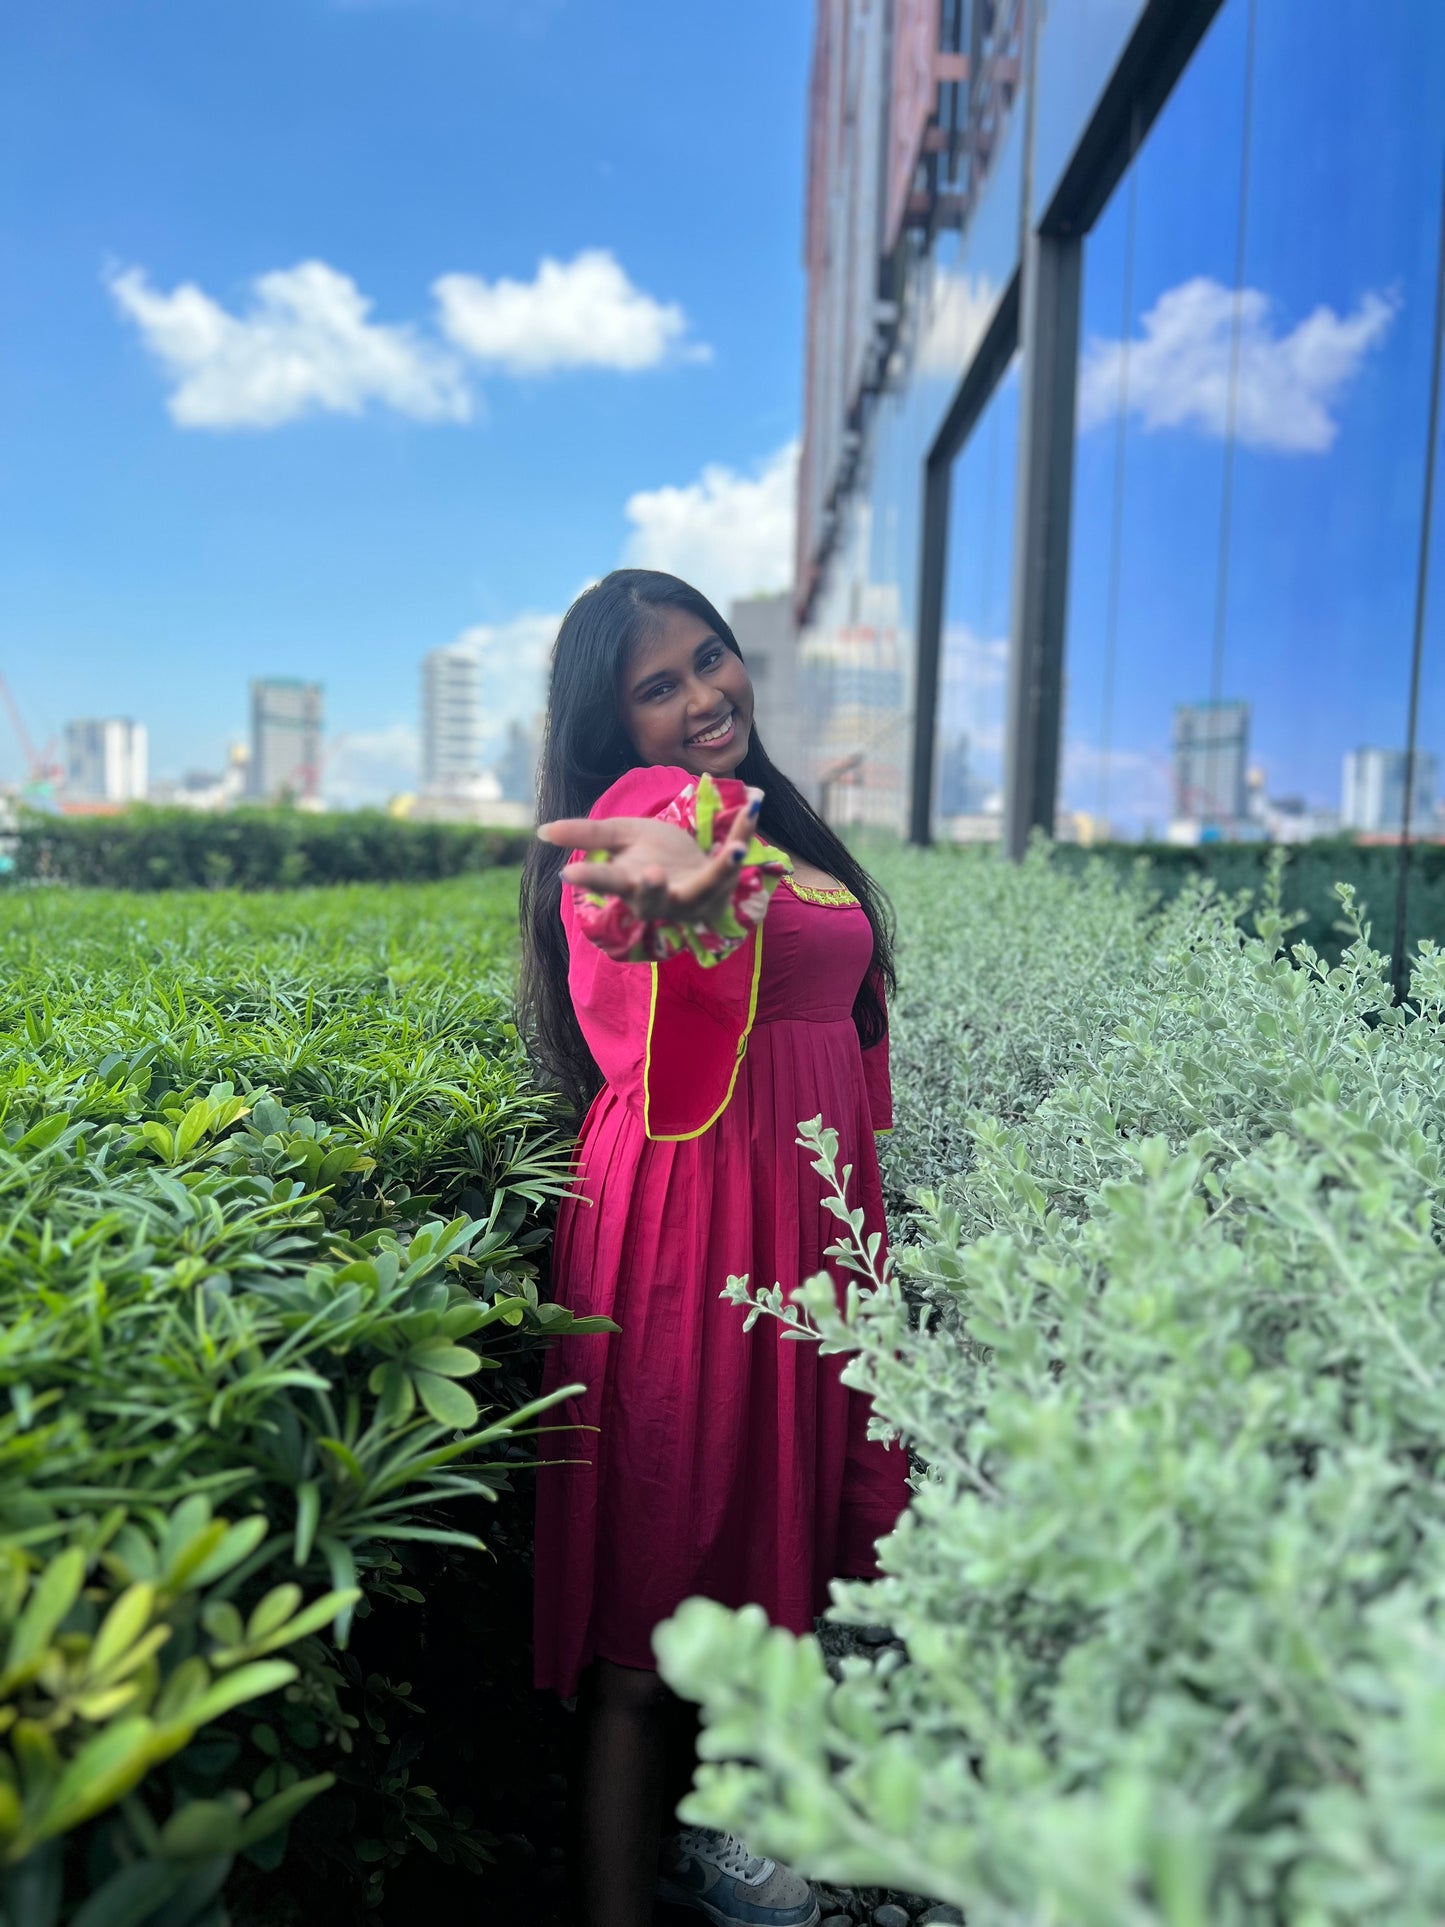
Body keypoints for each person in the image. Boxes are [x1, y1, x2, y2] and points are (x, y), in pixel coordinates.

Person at [519, 569, 910, 1927]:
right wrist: (663, 904)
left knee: (769, 1542)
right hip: (687, 1224)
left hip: (799, 1223)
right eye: (657, 684)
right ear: (610, 724)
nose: (702, 697)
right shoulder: (653, 819)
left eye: (711, 660)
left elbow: (849, 1041)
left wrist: (862, 1243)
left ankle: (732, 1843)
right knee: (655, 1593)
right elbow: (626, 898)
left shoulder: (782, 829)